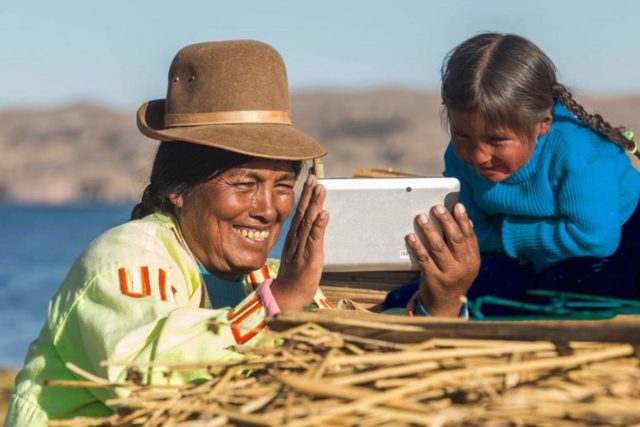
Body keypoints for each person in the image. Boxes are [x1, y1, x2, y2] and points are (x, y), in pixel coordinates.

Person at [5, 40, 480, 426]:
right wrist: (283, 300)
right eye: (245, 184)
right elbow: (144, 372)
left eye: (282, 186)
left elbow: (364, 363)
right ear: (179, 189)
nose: (268, 209)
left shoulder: (263, 281)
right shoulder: (124, 259)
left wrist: (440, 302)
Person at [389, 33, 640, 317]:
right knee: (417, 295)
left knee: (575, 298)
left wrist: (510, 236)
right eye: (462, 135)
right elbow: (473, 233)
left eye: (496, 141)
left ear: (542, 124)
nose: (479, 155)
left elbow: (593, 238)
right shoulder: (460, 157)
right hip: (524, 251)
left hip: (616, 238)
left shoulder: (580, 152)